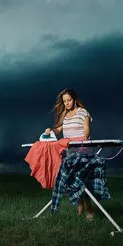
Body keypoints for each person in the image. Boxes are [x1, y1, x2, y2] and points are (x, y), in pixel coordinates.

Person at [44, 88, 96, 220]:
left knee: (80, 179)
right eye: (64, 101)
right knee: (70, 180)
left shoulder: (83, 113)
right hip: (69, 153)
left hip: (83, 152)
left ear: (74, 99)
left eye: (69, 100)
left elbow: (86, 133)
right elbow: (59, 129)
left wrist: (77, 137)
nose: (67, 103)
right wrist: (50, 131)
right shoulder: (65, 117)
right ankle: (80, 206)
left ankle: (89, 207)